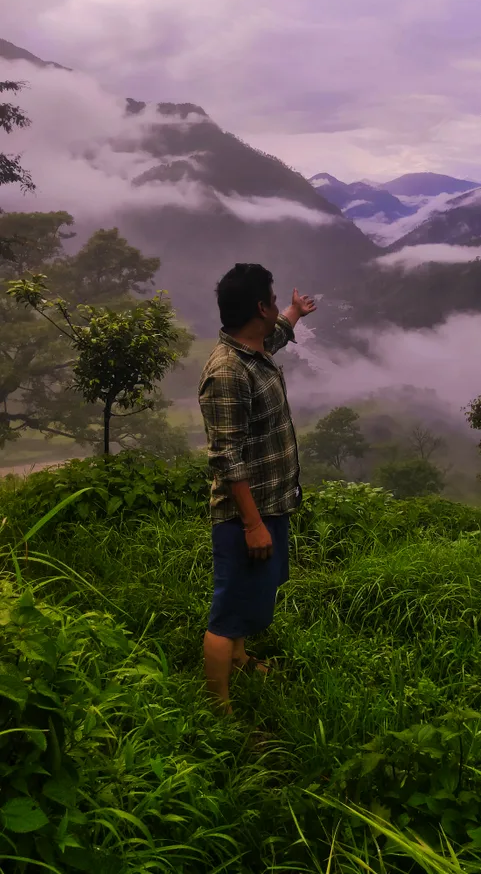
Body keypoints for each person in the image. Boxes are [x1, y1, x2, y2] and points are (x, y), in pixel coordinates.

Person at [198, 263, 317, 712]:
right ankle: (218, 709)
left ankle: (241, 660)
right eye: (271, 299)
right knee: (227, 612)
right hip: (244, 514)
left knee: (251, 592)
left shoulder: (254, 346)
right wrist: (252, 525)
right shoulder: (228, 371)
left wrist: (295, 311)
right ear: (258, 308)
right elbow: (226, 457)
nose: (275, 308)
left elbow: (278, 334)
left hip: (269, 503)